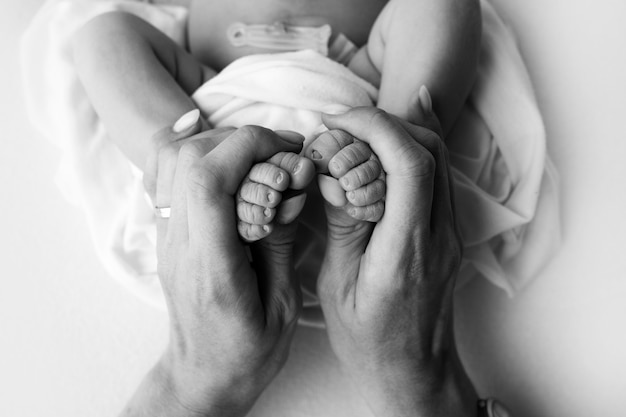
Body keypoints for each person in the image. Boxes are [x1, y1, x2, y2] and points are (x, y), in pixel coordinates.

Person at [121, 100, 512, 416]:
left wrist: (185, 391)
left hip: (217, 163)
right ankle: (395, 129)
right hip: (347, 123)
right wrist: (423, 383)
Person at [71, 0, 481, 240]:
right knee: (101, 35)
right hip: (216, 106)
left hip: (354, 93)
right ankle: (176, 160)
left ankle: (396, 146)